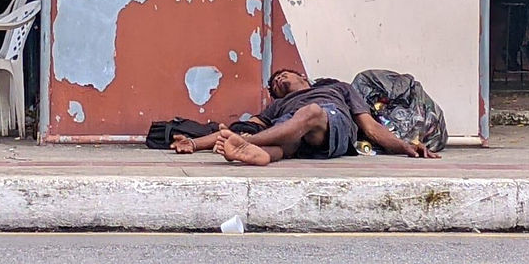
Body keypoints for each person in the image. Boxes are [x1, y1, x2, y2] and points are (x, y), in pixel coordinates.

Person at [175, 69, 438, 166]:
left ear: (303, 76)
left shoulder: (336, 88)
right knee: (285, 137)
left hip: (329, 120)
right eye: (275, 84)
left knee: (310, 113)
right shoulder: (276, 108)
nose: (278, 81)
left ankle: (251, 145)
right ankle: (265, 155)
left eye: (282, 76)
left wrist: (406, 146)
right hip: (292, 131)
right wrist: (194, 143)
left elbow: (369, 127)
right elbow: (233, 130)